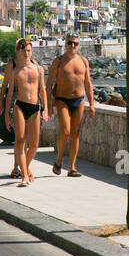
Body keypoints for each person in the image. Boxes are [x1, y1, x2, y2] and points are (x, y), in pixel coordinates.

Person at [47, 34, 95, 177]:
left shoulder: (83, 61)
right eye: (69, 43)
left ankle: (72, 167)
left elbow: (88, 83)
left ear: (78, 45)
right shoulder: (59, 61)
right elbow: (49, 83)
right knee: (66, 131)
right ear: (65, 44)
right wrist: (49, 104)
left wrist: (92, 103)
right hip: (62, 99)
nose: (72, 46)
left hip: (79, 100)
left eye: (75, 43)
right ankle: (59, 159)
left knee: (75, 133)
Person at [4, 37, 47, 186]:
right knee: (20, 140)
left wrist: (45, 110)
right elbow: (10, 93)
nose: (26, 54)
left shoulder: (38, 69)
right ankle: (25, 177)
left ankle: (25, 168)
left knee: (34, 144)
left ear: (31, 51)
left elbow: (43, 90)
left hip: (35, 107)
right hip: (20, 106)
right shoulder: (15, 71)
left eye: (29, 51)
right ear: (18, 52)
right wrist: (5, 115)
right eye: (23, 51)